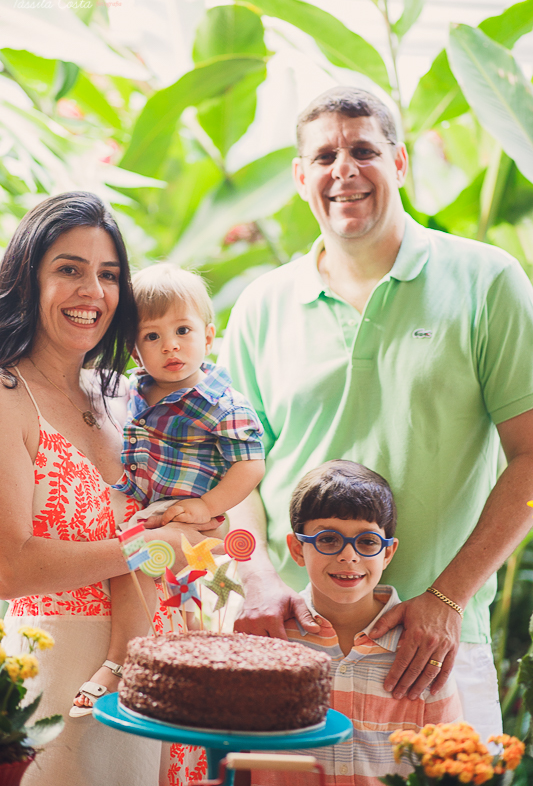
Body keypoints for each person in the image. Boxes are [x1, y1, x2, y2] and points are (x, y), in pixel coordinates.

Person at [218, 86, 533, 740]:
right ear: (302, 176)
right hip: (292, 641)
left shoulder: (487, 281)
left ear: (399, 162)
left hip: (434, 645)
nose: (344, 169)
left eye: (363, 149)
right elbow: (233, 474)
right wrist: (253, 578)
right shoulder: (260, 306)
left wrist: (447, 599)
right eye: (324, 155)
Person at [0, 192, 223, 786]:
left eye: (108, 275)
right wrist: (149, 548)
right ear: (27, 278)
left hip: (164, 668)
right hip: (58, 676)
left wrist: (201, 524)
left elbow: (188, 495)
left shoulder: (122, 395)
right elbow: (9, 566)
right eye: (69, 269)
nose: (92, 292)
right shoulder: (6, 397)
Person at [72, 262, 265, 715]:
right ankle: (125, 659)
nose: (171, 345)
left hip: (193, 515)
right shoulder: (136, 391)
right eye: (152, 337)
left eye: (182, 330)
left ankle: (193, 670)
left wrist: (207, 505)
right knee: (127, 565)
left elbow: (250, 464)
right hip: (146, 506)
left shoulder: (219, 401)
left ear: (209, 336)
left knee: (201, 598)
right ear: (136, 351)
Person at [252, 460, 462, 786]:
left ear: (388, 553)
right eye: (328, 540)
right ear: (297, 548)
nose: (348, 556)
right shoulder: (271, 638)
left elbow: (451, 767)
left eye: (366, 542)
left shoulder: (420, 648)